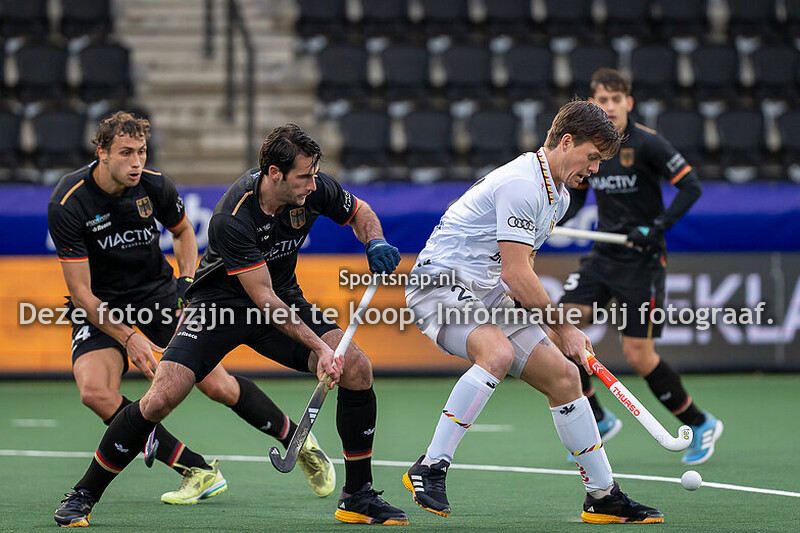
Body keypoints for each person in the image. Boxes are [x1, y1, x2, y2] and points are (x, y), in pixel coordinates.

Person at [54, 123, 409, 527]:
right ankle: (83, 494)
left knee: (358, 368)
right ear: (274, 173)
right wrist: (321, 349)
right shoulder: (233, 215)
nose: (313, 184)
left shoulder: (315, 188)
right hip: (219, 307)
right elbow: (263, 300)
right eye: (303, 176)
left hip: (281, 297)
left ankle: (358, 496)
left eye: (313, 174)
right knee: (160, 398)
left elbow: (359, 212)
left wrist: (374, 240)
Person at [402, 100, 663, 524]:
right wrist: (566, 328)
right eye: (592, 157)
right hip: (438, 285)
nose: (595, 169)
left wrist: (557, 333)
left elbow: (521, 272)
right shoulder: (522, 183)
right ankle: (430, 466)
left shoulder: (558, 196)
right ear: (566, 141)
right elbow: (516, 273)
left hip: (486, 292)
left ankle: (602, 496)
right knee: (497, 353)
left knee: (565, 378)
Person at [558, 68, 722, 466]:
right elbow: (578, 197)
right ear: (592, 104)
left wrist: (657, 226)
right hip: (603, 257)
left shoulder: (648, 143)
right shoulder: (593, 147)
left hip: (642, 263)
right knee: (558, 326)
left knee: (638, 355)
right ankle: (599, 417)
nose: (610, 107)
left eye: (616, 99)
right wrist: (553, 217)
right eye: (602, 100)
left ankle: (700, 423)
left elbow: (691, 187)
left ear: (628, 102)